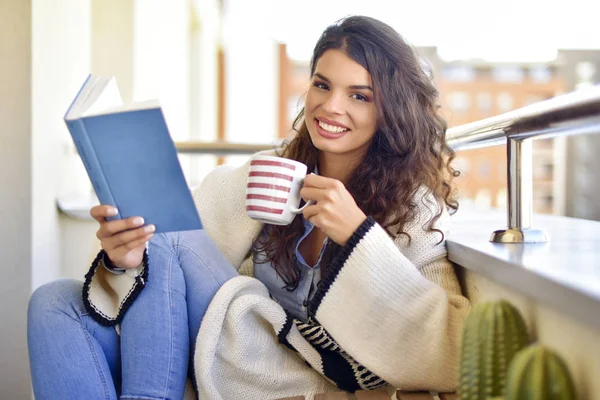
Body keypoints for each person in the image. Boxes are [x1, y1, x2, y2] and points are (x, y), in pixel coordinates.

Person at [28, 15, 470, 400]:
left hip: (288, 377)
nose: (331, 106)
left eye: (360, 95)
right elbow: (166, 277)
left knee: (169, 235)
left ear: (391, 108)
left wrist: (357, 236)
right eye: (322, 84)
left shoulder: (412, 206)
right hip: (215, 357)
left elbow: (450, 351)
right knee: (53, 303)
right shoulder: (273, 173)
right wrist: (124, 261)